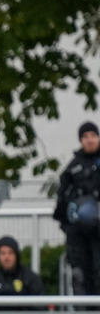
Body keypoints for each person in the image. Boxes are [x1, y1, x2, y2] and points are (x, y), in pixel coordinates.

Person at [53, 121, 100, 297]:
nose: (90, 140)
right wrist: (68, 226)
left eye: (93, 136)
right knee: (79, 276)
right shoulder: (72, 168)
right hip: (78, 235)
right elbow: (61, 203)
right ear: (81, 140)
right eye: (86, 137)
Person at [0, 235, 44, 309]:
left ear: (16, 255)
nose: (6, 257)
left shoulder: (30, 278)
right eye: (3, 253)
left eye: (10, 253)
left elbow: (39, 306)